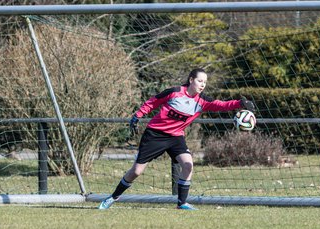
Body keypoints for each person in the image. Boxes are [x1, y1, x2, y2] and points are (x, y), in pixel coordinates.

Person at [98, 68, 255, 210]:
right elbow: (153, 101)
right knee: (136, 171)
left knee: (188, 165)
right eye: (200, 81)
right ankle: (113, 197)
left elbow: (221, 105)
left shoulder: (202, 101)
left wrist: (240, 103)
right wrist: (139, 114)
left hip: (176, 137)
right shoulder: (174, 92)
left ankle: (182, 203)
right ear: (191, 79)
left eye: (205, 82)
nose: (203, 85)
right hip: (155, 135)